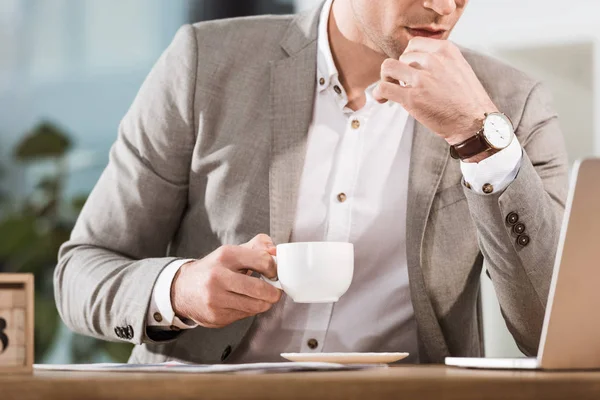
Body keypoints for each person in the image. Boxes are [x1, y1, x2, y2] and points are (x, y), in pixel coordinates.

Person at [54, 0, 568, 364]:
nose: (443, 6)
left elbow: (549, 328)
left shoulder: (507, 105)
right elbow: (81, 272)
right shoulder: (205, 63)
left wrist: (476, 136)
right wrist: (177, 289)